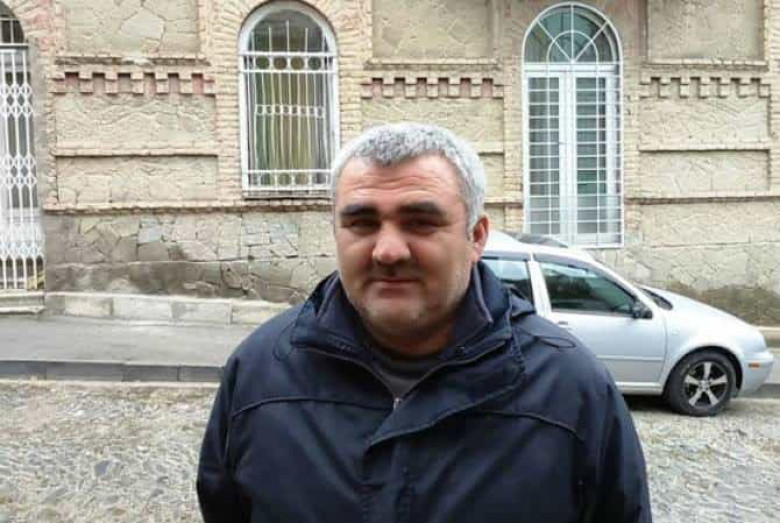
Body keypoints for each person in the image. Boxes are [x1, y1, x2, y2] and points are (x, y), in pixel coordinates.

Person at [197, 123, 653, 523]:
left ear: (476, 237)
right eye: (362, 223)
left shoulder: (570, 389)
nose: (388, 250)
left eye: (420, 222)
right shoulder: (260, 374)